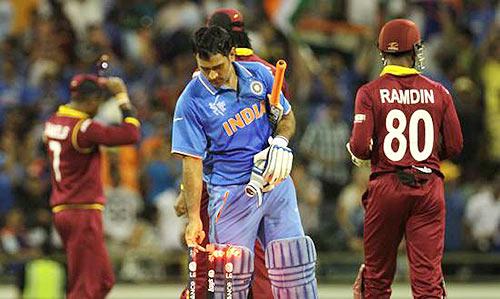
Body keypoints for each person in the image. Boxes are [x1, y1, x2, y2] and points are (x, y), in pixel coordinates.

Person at [172, 26, 318, 298]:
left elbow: (287, 118)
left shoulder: (261, 75)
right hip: (232, 195)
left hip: (274, 183)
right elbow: (191, 163)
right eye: (205, 69)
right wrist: (194, 218)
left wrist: (280, 143)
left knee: (294, 266)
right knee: (231, 280)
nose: (212, 75)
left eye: (217, 66)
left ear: (231, 54)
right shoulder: (190, 102)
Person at [348, 19, 462, 299]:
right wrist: (427, 157)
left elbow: (360, 147)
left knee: (376, 280)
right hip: (428, 187)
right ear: (416, 50)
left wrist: (370, 153)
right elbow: (455, 145)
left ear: (381, 51)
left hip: (386, 186)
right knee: (428, 282)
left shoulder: (369, 92)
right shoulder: (440, 92)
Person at [43, 74, 140, 299]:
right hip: (81, 211)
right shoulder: (83, 128)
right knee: (84, 287)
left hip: (64, 209)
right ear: (92, 100)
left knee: (103, 279)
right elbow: (131, 134)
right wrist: (121, 97)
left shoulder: (53, 122)